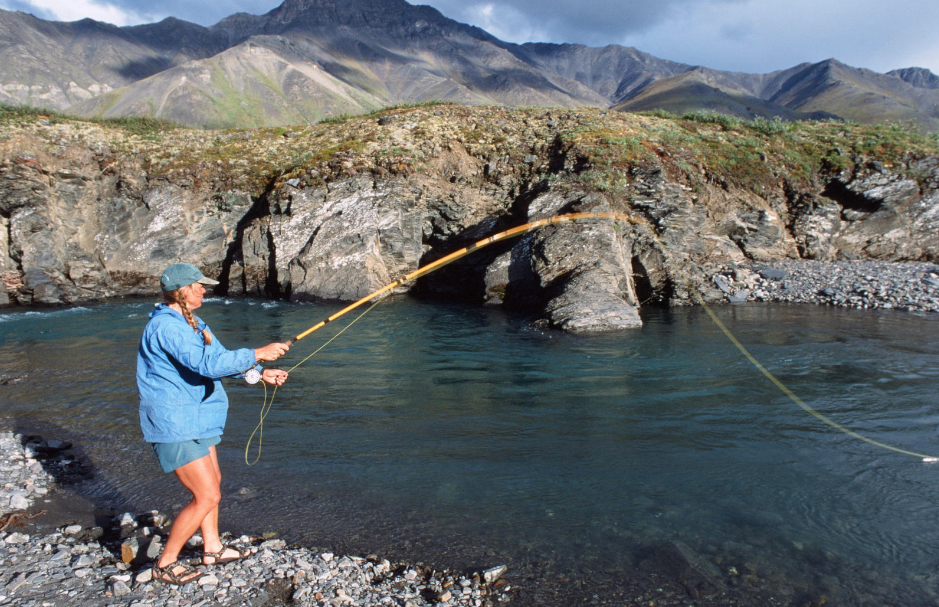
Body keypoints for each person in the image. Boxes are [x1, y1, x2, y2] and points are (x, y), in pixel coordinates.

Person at [136, 263, 291, 585]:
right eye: (199, 285)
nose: (204, 290)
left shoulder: (193, 322)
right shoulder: (167, 327)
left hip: (198, 417)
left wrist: (259, 373)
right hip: (174, 421)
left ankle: (213, 548)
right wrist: (258, 353)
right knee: (206, 496)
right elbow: (205, 364)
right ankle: (165, 563)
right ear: (182, 291)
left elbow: (218, 360)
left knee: (214, 484)